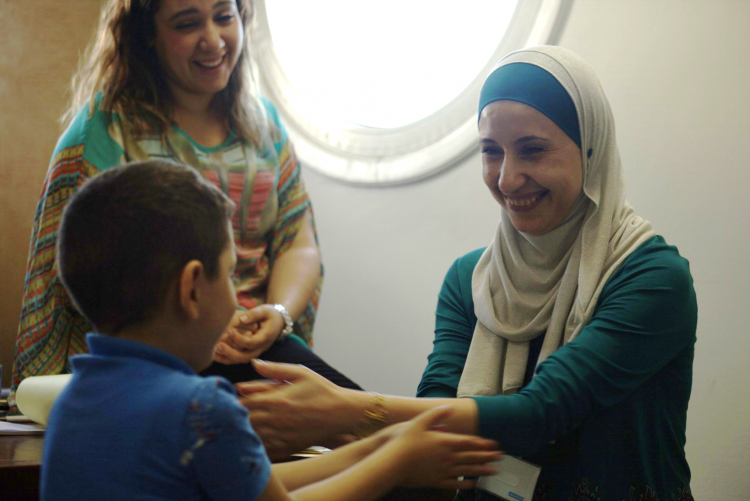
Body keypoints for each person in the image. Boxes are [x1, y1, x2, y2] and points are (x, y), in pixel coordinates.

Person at [236, 46, 698, 501]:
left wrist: (347, 411)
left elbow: (541, 412)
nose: (507, 178)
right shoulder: (472, 281)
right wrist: (330, 426)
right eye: (491, 151)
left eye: (533, 150)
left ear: (591, 150)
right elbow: (434, 421)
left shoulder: (653, 278)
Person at [41, 160, 501, 501]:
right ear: (192, 289)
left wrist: (381, 444)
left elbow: (256, 483)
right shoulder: (201, 410)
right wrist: (395, 462)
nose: (238, 293)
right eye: (230, 273)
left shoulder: (73, 404)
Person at [10, 0, 359, 412]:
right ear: (148, 37)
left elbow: (298, 245)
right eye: (187, 23)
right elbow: (91, 273)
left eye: (224, 17)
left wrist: (276, 315)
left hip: (259, 349)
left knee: (363, 418)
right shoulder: (104, 131)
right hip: (153, 361)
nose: (212, 40)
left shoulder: (264, 125)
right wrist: (206, 324)